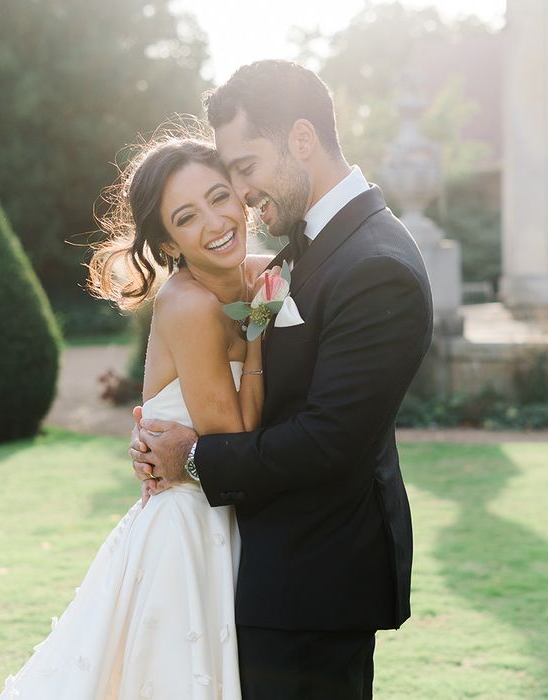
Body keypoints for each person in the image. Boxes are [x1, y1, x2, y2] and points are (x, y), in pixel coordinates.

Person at [130, 60, 434, 700]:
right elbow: (252, 353)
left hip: (316, 583)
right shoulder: (308, 247)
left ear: (301, 140)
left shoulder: (375, 264)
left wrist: (191, 457)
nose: (239, 196)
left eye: (243, 170)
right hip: (268, 568)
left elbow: (329, 440)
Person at [0, 135, 273, 699]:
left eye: (220, 197)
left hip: (236, 522)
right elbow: (234, 441)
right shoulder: (189, 304)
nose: (215, 221)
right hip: (189, 529)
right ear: (168, 241)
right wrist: (261, 336)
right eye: (186, 216)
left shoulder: (266, 273)